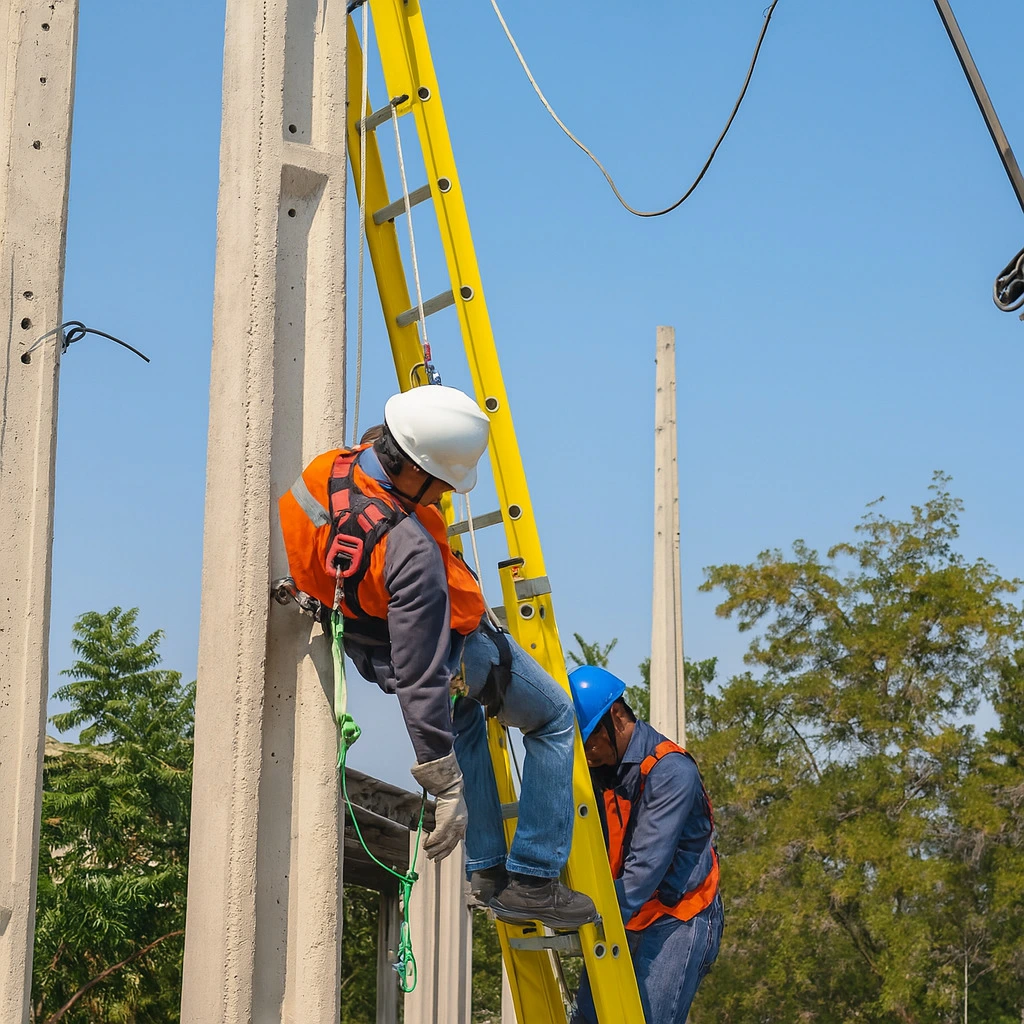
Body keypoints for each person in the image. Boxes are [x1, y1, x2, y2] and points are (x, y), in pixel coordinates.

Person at [277, 384, 597, 928]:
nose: (442, 495)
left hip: (363, 635)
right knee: (555, 720)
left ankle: (489, 869)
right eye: (441, 483)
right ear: (414, 470)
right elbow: (421, 676)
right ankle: (536, 880)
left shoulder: (327, 470)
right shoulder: (410, 552)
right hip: (456, 653)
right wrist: (444, 783)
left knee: (467, 719)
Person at [567, 665, 723, 1023]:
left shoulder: (670, 771)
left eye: (589, 740)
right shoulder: (602, 769)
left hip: (679, 915)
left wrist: (592, 919)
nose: (586, 753)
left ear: (617, 717)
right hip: (628, 910)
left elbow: (645, 868)